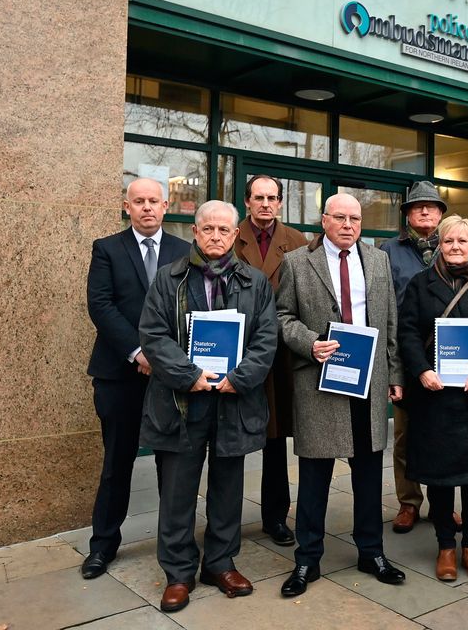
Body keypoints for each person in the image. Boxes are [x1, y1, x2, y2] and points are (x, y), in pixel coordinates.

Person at [138, 200, 278, 612]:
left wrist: (240, 378)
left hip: (233, 402)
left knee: (228, 488)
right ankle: (179, 572)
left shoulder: (255, 282)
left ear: (236, 235)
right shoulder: (169, 279)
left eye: (224, 230)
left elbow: (266, 338)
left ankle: (220, 563)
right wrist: (189, 375)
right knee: (178, 492)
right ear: (195, 233)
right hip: (182, 402)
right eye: (208, 229)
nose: (215, 236)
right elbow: (154, 334)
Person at [275, 193, 406, 597]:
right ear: (324, 220)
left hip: (368, 378)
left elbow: (389, 320)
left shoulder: (378, 259)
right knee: (315, 475)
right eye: (340, 217)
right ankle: (307, 559)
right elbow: (282, 317)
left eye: (355, 218)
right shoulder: (297, 262)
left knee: (368, 473)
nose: (348, 224)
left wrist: (394, 372)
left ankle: (371, 551)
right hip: (319, 379)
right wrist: (310, 343)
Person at [82, 178, 190, 579]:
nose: (147, 208)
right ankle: (103, 547)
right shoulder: (107, 248)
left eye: (154, 201)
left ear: (166, 206)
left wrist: (161, 357)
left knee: (173, 465)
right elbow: (101, 305)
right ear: (126, 206)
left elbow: (190, 308)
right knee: (117, 462)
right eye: (138, 201)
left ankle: (175, 544)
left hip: (169, 378)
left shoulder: (184, 251)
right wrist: (138, 352)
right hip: (118, 375)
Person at [398, 215, 468, 582]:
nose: (456, 247)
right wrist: (421, 371)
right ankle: (446, 545)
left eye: (463, 241)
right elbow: (408, 332)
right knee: (441, 475)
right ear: (440, 244)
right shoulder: (421, 284)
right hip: (435, 396)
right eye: (449, 241)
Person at [234, 174, 307, 546]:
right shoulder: (228, 237)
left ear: (280, 202)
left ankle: (275, 516)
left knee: (275, 441)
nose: (265, 204)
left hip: (281, 357)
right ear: (247, 201)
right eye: (258, 197)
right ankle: (226, 517)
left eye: (272, 197)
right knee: (230, 438)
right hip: (238, 355)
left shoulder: (298, 243)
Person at [380, 180, 446, 533]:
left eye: (431, 207)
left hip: (447, 356)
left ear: (440, 214)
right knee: (405, 436)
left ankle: (442, 503)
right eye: (417, 206)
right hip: (406, 355)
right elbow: (384, 306)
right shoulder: (388, 251)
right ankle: (409, 502)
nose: (424, 211)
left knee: (441, 434)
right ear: (406, 214)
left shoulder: (452, 247)